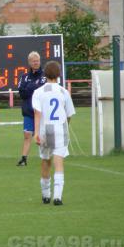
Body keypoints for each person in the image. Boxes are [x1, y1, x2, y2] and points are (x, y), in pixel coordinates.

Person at [32, 61, 75, 206]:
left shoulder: (38, 92)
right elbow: (69, 114)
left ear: (44, 74)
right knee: (59, 162)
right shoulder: (64, 91)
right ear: (59, 74)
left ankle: (45, 195)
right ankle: (57, 197)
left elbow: (37, 113)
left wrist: (36, 133)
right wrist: (66, 126)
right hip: (60, 129)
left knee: (45, 161)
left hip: (45, 130)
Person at [17, 51, 46, 167]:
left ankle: (45, 157)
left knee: (41, 135)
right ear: (29, 62)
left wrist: (30, 88)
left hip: (42, 112)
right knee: (27, 135)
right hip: (28, 112)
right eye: (33, 61)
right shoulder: (24, 77)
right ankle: (24, 159)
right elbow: (22, 93)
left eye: (37, 61)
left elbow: (43, 91)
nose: (36, 63)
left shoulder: (45, 76)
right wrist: (33, 86)